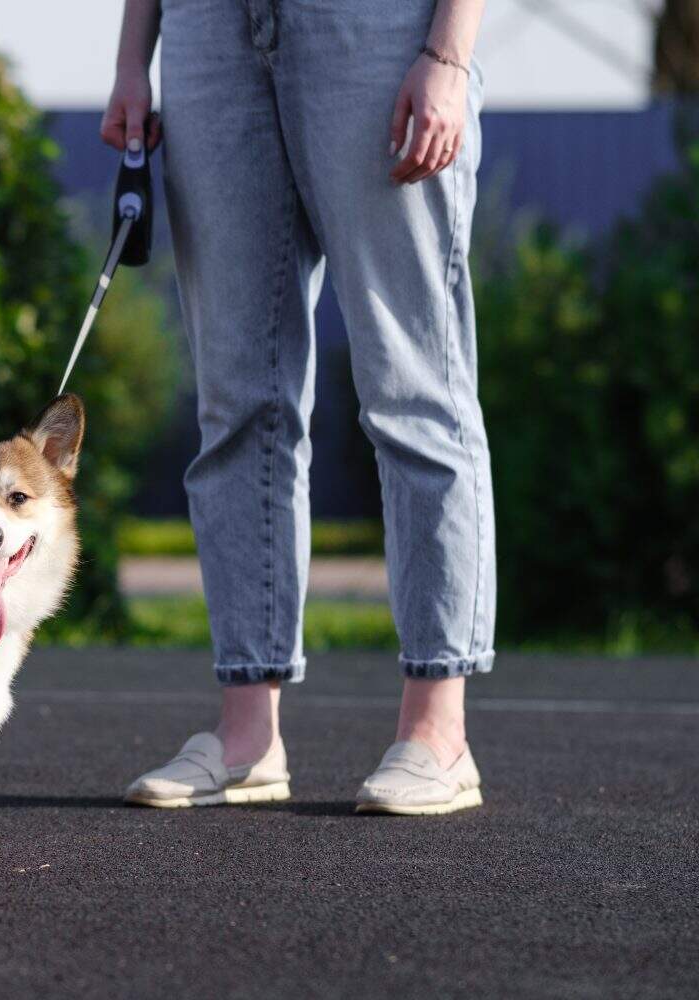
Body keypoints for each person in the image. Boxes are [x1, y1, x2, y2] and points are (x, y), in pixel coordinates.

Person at [105, 0, 493, 814]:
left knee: (410, 391)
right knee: (237, 403)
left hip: (376, 29)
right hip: (209, 30)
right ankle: (248, 735)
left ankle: (437, 731)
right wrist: (131, 60)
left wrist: (449, 56)